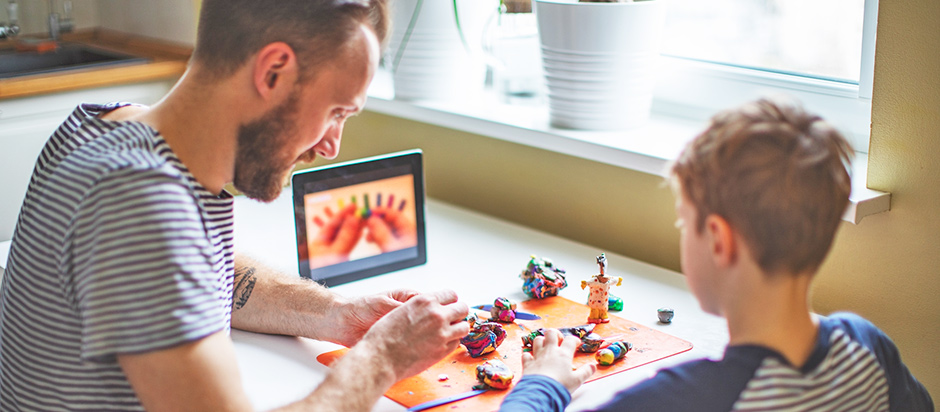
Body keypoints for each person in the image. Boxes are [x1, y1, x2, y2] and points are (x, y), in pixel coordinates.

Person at [0, 0, 470, 411]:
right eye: (336, 112)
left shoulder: (103, 128)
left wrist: (337, 313)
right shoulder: (140, 207)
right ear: (272, 72)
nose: (332, 146)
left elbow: (198, 269)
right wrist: (383, 358)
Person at [499, 98, 934, 411]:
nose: (681, 233)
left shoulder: (682, 400)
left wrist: (543, 383)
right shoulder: (868, 347)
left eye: (683, 223)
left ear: (719, 240)